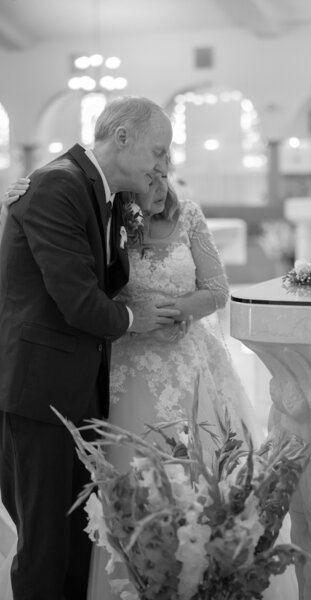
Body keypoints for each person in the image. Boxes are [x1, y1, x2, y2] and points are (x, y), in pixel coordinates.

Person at [0, 95, 186, 600]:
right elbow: (78, 300)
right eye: (159, 150)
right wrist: (134, 318)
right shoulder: (56, 185)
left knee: (78, 538)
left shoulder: (104, 194)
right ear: (122, 137)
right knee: (45, 548)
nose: (163, 163)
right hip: (41, 393)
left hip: (78, 387)